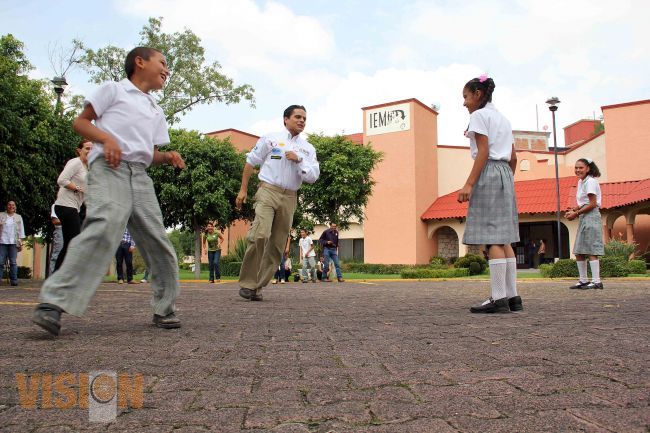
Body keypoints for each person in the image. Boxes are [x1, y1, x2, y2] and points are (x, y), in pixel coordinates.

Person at [32, 46, 186, 336]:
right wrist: (107, 139)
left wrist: (168, 157)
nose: (167, 69)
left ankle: (165, 308)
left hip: (139, 176)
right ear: (139, 62)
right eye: (162, 63)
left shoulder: (155, 109)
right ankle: (52, 303)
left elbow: (150, 154)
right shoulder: (113, 91)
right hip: (109, 168)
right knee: (104, 226)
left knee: (158, 240)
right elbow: (80, 122)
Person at [235, 105, 320, 301]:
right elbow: (251, 162)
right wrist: (243, 189)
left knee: (277, 245)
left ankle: (256, 287)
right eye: (297, 117)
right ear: (285, 119)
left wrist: (299, 160)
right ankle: (247, 283)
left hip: (290, 196)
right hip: (268, 190)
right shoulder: (270, 138)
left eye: (304, 119)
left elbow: (313, 176)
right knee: (260, 235)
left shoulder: (307, 149)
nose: (302, 121)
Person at [457, 74, 522, 314]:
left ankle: (498, 298)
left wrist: (469, 184)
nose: (464, 103)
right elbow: (514, 157)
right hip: (506, 172)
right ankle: (513, 296)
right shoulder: (503, 119)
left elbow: (483, 151)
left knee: (493, 237)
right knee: (504, 238)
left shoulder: (479, 116)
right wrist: (507, 180)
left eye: (465, 97)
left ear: (478, 94)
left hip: (490, 170)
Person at [53, 140, 92, 271]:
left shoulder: (87, 168)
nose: (90, 152)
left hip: (73, 207)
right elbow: (61, 180)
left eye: (93, 149)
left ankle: (57, 277)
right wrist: (78, 188)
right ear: (79, 150)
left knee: (71, 243)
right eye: (87, 148)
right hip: (65, 206)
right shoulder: (76, 163)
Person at [566, 158, 605, 290]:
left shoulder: (590, 182)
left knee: (591, 249)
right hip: (584, 216)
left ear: (588, 168)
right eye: (576, 168)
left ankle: (596, 281)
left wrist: (575, 214)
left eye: (581, 168)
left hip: (591, 216)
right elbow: (584, 202)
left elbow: (593, 204)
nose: (578, 170)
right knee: (579, 250)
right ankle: (583, 280)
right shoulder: (581, 182)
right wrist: (575, 210)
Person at [0, 201, 25, 286]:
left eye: (13, 205)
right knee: (0, 262)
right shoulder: (1, 215)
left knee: (13, 262)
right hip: (2, 242)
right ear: (6, 206)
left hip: (13, 243)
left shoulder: (18, 217)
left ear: (15, 207)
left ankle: (14, 281)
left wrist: (21, 243)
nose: (11, 206)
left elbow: (21, 231)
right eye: (9, 205)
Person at [49, 205, 63, 277]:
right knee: (57, 255)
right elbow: (55, 221)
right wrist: (67, 221)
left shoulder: (72, 205)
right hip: (60, 230)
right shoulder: (56, 206)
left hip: (71, 230)